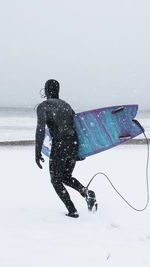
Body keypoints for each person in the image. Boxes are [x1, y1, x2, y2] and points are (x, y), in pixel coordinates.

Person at [35, 79, 97, 218]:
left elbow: (40, 129)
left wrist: (37, 151)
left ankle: (72, 211)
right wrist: (80, 151)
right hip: (73, 144)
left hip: (60, 145)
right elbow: (79, 128)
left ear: (45, 91)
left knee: (56, 180)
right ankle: (86, 193)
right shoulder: (67, 106)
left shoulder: (44, 106)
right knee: (65, 176)